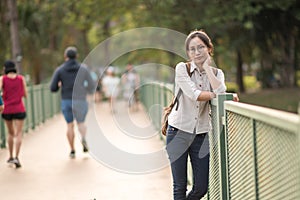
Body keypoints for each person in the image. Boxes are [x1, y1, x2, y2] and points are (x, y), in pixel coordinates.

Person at [166, 30, 228, 199]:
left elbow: (221, 90)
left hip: (201, 135)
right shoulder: (182, 69)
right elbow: (195, 94)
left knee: (201, 187)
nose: (197, 52)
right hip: (177, 132)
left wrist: (207, 68)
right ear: (188, 53)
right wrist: (216, 95)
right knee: (179, 187)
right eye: (192, 49)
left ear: (209, 48)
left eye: (201, 47)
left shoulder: (217, 73)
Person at [50, 46, 95, 158]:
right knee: (81, 123)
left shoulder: (60, 70)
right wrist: (86, 90)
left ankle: (72, 150)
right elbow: (92, 85)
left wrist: (60, 85)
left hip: (66, 100)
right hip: (80, 99)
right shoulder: (83, 69)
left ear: (65, 56)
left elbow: (53, 88)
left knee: (69, 125)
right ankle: (83, 138)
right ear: (77, 56)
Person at [0, 60, 27, 168]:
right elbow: (25, 94)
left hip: (7, 109)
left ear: (5, 69)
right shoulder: (21, 78)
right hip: (19, 108)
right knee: (19, 133)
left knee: (11, 133)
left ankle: (10, 156)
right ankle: (17, 157)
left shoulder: (3, 79)